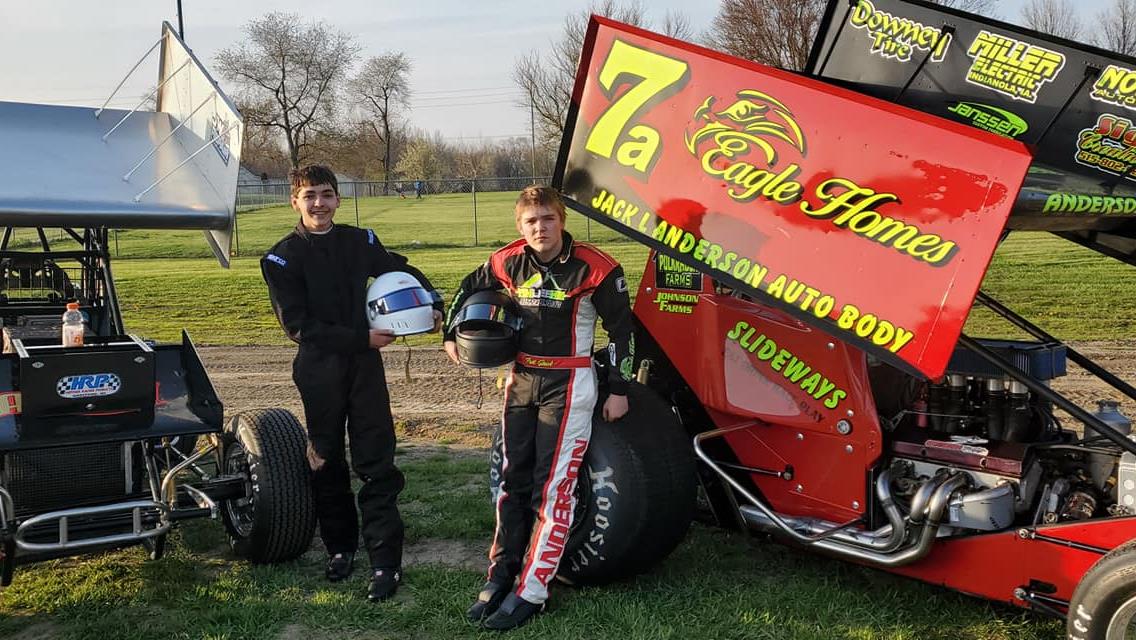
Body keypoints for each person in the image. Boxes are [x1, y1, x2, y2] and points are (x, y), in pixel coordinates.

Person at [443, 185, 634, 631]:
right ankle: (500, 575)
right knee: (513, 480)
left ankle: (533, 590)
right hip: (521, 379)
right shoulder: (508, 259)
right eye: (531, 221)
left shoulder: (597, 266)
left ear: (561, 220)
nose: (540, 228)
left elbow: (624, 331)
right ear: (520, 225)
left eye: (547, 219)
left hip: (571, 382)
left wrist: (619, 388)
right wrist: (451, 334)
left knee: (553, 489)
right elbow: (468, 288)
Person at [261, 165, 442, 602]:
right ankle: (340, 548)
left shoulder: (360, 241)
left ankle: (385, 559)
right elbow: (299, 326)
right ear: (295, 202)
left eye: (326, 194)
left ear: (338, 199)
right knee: (325, 458)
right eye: (309, 196)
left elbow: (402, 270)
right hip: (319, 367)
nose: (319, 203)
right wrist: (361, 337)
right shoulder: (280, 257)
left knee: (376, 460)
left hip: (364, 367)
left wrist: (432, 303)